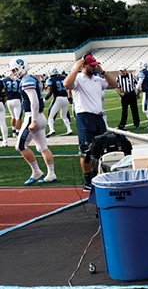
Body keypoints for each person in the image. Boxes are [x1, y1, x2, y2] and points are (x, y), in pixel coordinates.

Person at [63, 53, 118, 192]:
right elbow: (67, 84)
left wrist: (102, 71)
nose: (94, 67)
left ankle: (96, 175)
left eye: (95, 65)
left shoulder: (97, 79)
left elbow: (114, 84)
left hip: (98, 117)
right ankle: (88, 181)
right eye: (92, 65)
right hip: (85, 117)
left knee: (100, 147)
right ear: (84, 65)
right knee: (86, 150)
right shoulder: (79, 78)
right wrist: (76, 68)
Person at [9, 58, 57, 185]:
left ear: (22, 67)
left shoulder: (27, 80)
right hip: (40, 116)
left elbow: (34, 102)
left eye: (15, 69)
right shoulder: (31, 79)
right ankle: (51, 174)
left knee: (20, 146)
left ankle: (36, 172)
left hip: (33, 117)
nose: (13, 72)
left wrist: (33, 120)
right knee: (42, 147)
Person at [44, 67, 72, 137]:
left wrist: (45, 99)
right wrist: (70, 97)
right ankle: (69, 129)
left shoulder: (50, 80)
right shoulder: (63, 78)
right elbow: (69, 87)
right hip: (65, 98)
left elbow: (50, 92)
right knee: (64, 116)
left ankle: (51, 130)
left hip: (58, 98)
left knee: (50, 116)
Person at [115, 66, 140, 130]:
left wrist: (138, 93)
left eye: (122, 71)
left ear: (125, 70)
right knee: (124, 110)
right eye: (120, 71)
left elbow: (138, 84)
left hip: (131, 93)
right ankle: (122, 124)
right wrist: (120, 93)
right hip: (124, 95)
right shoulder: (118, 78)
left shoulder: (132, 76)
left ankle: (136, 123)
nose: (121, 72)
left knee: (134, 109)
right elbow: (116, 87)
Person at [3, 73, 22, 138]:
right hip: (17, 99)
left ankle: (13, 131)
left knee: (12, 116)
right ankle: (18, 132)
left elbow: (3, 90)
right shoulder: (19, 80)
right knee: (17, 117)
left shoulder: (5, 80)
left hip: (9, 100)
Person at [0, 76, 8, 147]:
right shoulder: (1, 82)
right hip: (0, 103)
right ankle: (5, 141)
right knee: (2, 123)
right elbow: (4, 94)